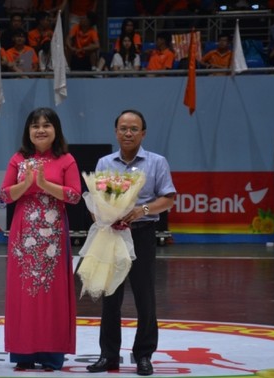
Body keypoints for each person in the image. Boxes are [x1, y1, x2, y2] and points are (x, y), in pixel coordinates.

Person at [87, 109, 176, 376]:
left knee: (144, 297)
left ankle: (144, 355)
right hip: (112, 234)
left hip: (142, 234)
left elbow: (168, 198)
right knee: (110, 297)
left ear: (143, 133)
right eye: (123, 128)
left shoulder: (157, 162)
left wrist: (142, 210)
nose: (128, 133)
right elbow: (95, 199)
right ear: (116, 132)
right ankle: (108, 355)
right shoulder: (105, 163)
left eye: (134, 128)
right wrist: (103, 215)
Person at [0, 107, 81, 371]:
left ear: (56, 130)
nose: (41, 130)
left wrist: (45, 185)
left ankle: (51, 355)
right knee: (23, 293)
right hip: (23, 234)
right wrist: (27, 184)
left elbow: (75, 196)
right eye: (35, 125)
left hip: (54, 235)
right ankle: (23, 353)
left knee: (52, 292)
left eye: (46, 125)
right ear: (28, 131)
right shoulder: (18, 159)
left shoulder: (66, 159)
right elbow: (3, 198)